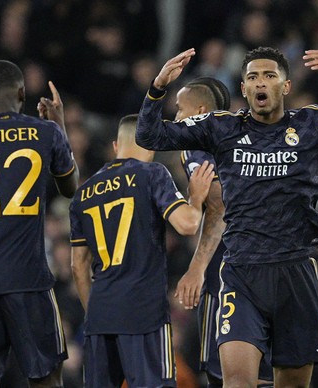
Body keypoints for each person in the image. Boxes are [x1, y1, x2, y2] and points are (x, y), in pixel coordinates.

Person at [136, 46, 318, 387]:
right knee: (237, 381)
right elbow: (149, 135)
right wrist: (158, 87)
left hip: (294, 271)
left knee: (292, 383)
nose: (260, 82)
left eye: (269, 75)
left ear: (284, 86)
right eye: (252, 76)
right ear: (243, 89)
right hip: (242, 274)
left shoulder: (312, 123)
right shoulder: (221, 128)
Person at [69, 114, 214, 388]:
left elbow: (78, 267)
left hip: (100, 315)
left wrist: (97, 312)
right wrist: (195, 196)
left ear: (115, 146)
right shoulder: (152, 174)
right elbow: (187, 225)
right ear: (151, 144)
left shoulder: (83, 193)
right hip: (143, 313)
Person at [0, 60, 79, 387]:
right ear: (22, 93)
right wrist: (60, 126)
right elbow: (70, 188)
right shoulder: (45, 132)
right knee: (46, 379)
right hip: (28, 279)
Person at [173, 77, 273, 387]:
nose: (176, 118)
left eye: (179, 110)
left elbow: (219, 208)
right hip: (277, 260)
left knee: (224, 373)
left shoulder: (197, 145)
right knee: (269, 371)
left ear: (200, 111)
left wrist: (197, 268)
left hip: (231, 268)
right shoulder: (252, 137)